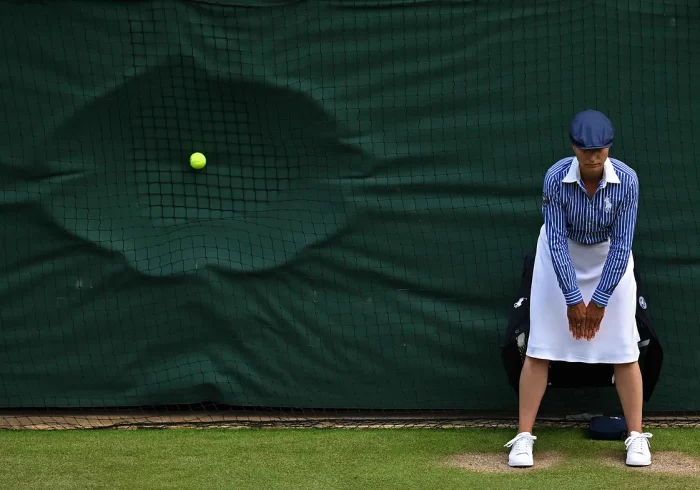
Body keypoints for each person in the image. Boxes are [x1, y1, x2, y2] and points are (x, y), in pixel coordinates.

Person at [504, 110, 653, 467]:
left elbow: (622, 244)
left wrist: (598, 301)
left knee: (624, 347)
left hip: (609, 258)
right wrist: (573, 299)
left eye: (600, 149)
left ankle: (635, 436)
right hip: (559, 257)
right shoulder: (555, 177)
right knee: (540, 346)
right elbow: (555, 239)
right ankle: (523, 437)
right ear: (574, 146)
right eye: (586, 149)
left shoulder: (628, 181)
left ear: (609, 148)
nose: (593, 156)